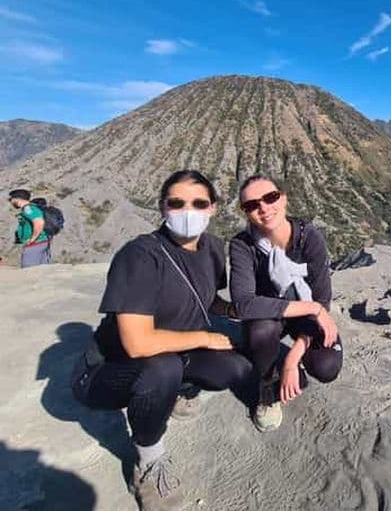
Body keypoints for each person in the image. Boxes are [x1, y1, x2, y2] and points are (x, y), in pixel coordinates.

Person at [71, 170, 255, 511]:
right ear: (162, 207)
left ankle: (169, 394)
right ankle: (148, 463)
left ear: (213, 207)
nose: (188, 211)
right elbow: (138, 344)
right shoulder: (141, 256)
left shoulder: (214, 248)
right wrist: (204, 337)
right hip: (106, 372)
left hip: (171, 353)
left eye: (199, 203)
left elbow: (206, 297)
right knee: (162, 368)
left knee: (233, 367)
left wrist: (234, 310)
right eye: (177, 203)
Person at [229, 174, 342, 432]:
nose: (263, 208)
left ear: (284, 199)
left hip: (305, 318)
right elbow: (243, 305)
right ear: (246, 213)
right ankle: (267, 385)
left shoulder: (309, 238)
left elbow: (321, 299)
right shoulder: (243, 246)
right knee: (261, 331)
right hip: (270, 318)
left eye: (270, 198)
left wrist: (293, 357)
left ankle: (287, 360)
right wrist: (313, 308)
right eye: (252, 205)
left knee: (326, 367)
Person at [8, 188, 51, 267]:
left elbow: (39, 222)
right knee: (40, 269)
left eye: (10, 199)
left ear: (18, 199)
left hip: (35, 244)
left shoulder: (28, 209)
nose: (10, 202)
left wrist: (32, 239)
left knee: (28, 269)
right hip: (41, 242)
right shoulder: (32, 208)